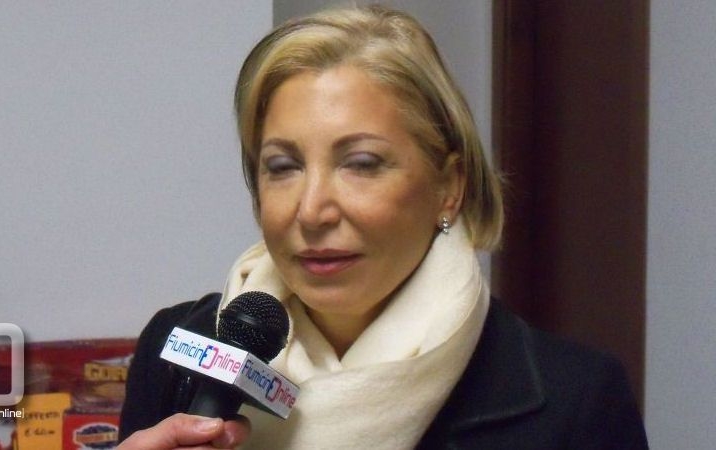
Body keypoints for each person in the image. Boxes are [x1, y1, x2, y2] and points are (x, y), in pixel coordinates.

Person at [118, 5, 648, 449]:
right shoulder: (176, 350)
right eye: (283, 166)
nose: (312, 210)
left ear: (449, 187)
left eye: (361, 164)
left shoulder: (576, 402)